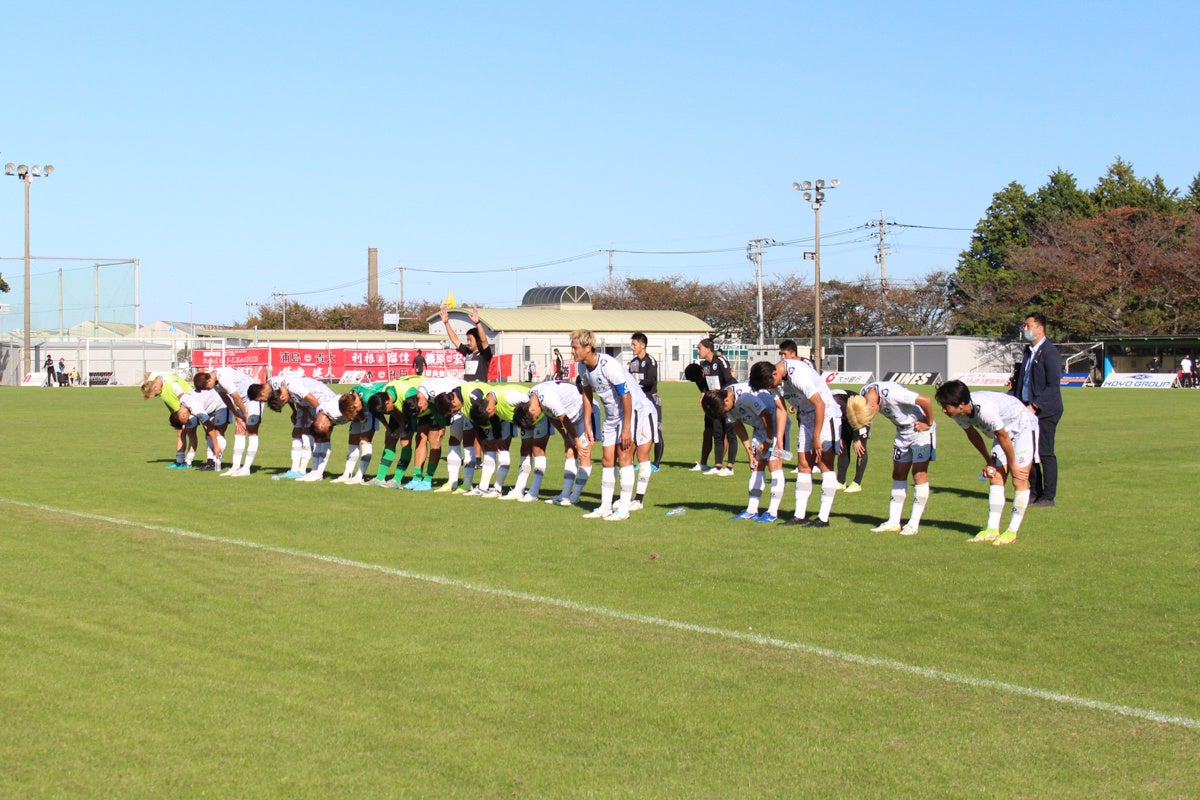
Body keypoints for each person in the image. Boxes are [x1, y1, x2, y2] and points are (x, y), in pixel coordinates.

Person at [935, 380, 1038, 546]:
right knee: (996, 476)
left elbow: (1004, 436)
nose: (943, 410)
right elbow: (973, 435)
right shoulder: (957, 414)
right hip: (1002, 434)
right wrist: (989, 461)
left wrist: (1013, 465)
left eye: (946, 406)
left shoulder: (986, 410)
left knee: (1019, 478)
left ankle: (1011, 531)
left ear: (961, 404)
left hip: (1022, 427)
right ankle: (992, 530)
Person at [573, 328, 657, 520]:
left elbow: (626, 396)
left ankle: (624, 509)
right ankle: (605, 506)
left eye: (575, 347)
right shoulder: (582, 367)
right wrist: (587, 423)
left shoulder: (608, 365)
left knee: (624, 457)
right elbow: (587, 393)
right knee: (606, 460)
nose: (573, 351)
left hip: (630, 412)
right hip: (610, 416)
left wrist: (627, 428)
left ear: (588, 347)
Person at [750, 357, 842, 527]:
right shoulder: (774, 381)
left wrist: (816, 436)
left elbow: (820, 404)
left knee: (824, 464)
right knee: (803, 465)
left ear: (775, 373)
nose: (771, 388)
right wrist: (778, 441)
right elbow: (781, 410)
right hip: (806, 418)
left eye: (770, 385)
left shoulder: (798, 375)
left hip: (826, 416)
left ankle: (823, 518)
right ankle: (799, 515)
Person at [702, 363, 789, 523]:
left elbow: (767, 417)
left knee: (774, 466)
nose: (726, 412)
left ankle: (773, 511)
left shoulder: (745, 396)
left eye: (725, 409)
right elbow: (737, 426)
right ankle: (752, 509)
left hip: (775, 425)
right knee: (757, 466)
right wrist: (750, 452)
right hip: (759, 428)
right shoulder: (726, 404)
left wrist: (769, 441)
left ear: (727, 399)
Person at [847, 381, 935, 536]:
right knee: (898, 474)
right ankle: (894, 522)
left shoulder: (893, 393)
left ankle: (913, 524)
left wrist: (928, 422)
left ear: (873, 406)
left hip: (920, 432)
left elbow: (925, 400)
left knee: (919, 475)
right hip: (902, 433)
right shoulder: (864, 394)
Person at [1010, 311, 1063, 507]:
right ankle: (1033, 491)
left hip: (1045, 411)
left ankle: (1048, 496)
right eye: (1024, 326)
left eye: (1028, 326)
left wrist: (1035, 405)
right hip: (1024, 409)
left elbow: (1053, 386)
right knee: (1026, 451)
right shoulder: (1027, 351)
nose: (1024, 329)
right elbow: (1024, 380)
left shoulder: (1050, 352)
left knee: (1045, 452)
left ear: (1040, 328)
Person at [516, 379, 593, 506]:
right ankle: (565, 494)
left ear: (532, 410)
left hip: (584, 413)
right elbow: (553, 417)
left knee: (584, 453)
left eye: (535, 418)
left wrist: (576, 441)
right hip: (571, 418)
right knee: (569, 451)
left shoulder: (547, 398)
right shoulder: (533, 397)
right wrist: (566, 437)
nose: (537, 419)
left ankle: (575, 496)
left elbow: (563, 417)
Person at [213, 366, 266, 476]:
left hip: (254, 396)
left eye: (208, 387)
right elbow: (226, 398)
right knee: (239, 429)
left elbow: (235, 397)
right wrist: (237, 415)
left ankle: (246, 468)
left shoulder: (223, 377)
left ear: (209, 380)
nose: (209, 389)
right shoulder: (214, 382)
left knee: (251, 430)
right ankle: (235, 467)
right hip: (242, 400)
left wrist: (245, 414)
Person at [143, 371, 201, 468]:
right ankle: (179, 461)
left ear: (156, 388)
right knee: (180, 433)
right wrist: (174, 414)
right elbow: (167, 401)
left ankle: (188, 461)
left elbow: (184, 398)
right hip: (179, 412)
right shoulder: (157, 386)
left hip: (190, 408)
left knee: (191, 433)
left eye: (155, 394)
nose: (156, 396)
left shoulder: (172, 384)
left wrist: (184, 415)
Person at [697, 338, 737, 476]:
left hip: (726, 402)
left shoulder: (720, 361)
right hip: (715, 404)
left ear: (708, 349)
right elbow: (706, 383)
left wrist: (721, 394)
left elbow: (730, 381)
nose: (698, 351)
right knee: (718, 434)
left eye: (699, 348)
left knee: (730, 434)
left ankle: (730, 467)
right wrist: (704, 393)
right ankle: (718, 466)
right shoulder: (704, 365)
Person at [628, 332, 664, 470]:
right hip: (637, 404)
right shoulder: (633, 363)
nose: (632, 347)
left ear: (643, 345)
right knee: (636, 430)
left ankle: (656, 464)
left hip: (651, 401)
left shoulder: (651, 362)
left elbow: (651, 381)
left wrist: (637, 381)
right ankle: (634, 461)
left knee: (656, 431)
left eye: (634, 344)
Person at [440, 305, 493, 381]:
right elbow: (455, 339)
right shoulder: (468, 352)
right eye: (467, 340)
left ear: (478, 340)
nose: (468, 342)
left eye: (470, 340)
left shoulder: (484, 354)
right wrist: (446, 323)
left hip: (479, 388)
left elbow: (484, 340)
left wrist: (477, 323)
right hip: (467, 387)